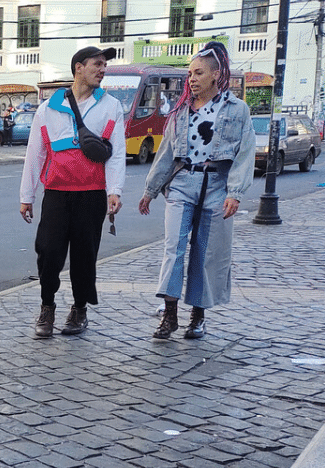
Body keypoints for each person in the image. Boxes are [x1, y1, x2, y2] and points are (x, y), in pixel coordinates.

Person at [138, 41, 254, 340]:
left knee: (206, 254)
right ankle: (170, 314)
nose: (191, 79)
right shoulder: (180, 111)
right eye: (189, 73)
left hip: (216, 185)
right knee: (173, 249)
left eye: (198, 73)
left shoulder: (237, 110)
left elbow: (245, 153)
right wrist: (150, 190)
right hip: (182, 183)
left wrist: (235, 191)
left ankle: (198, 317)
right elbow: (166, 152)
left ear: (216, 75)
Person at [19, 46, 126, 338]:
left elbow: (116, 154)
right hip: (56, 192)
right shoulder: (49, 107)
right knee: (48, 252)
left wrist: (114, 190)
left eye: (104, 65)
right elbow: (35, 154)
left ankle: (79, 310)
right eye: (97, 64)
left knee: (84, 256)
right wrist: (26, 196)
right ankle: (47, 307)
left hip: (92, 193)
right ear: (78, 67)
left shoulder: (111, 106)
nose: (102, 70)